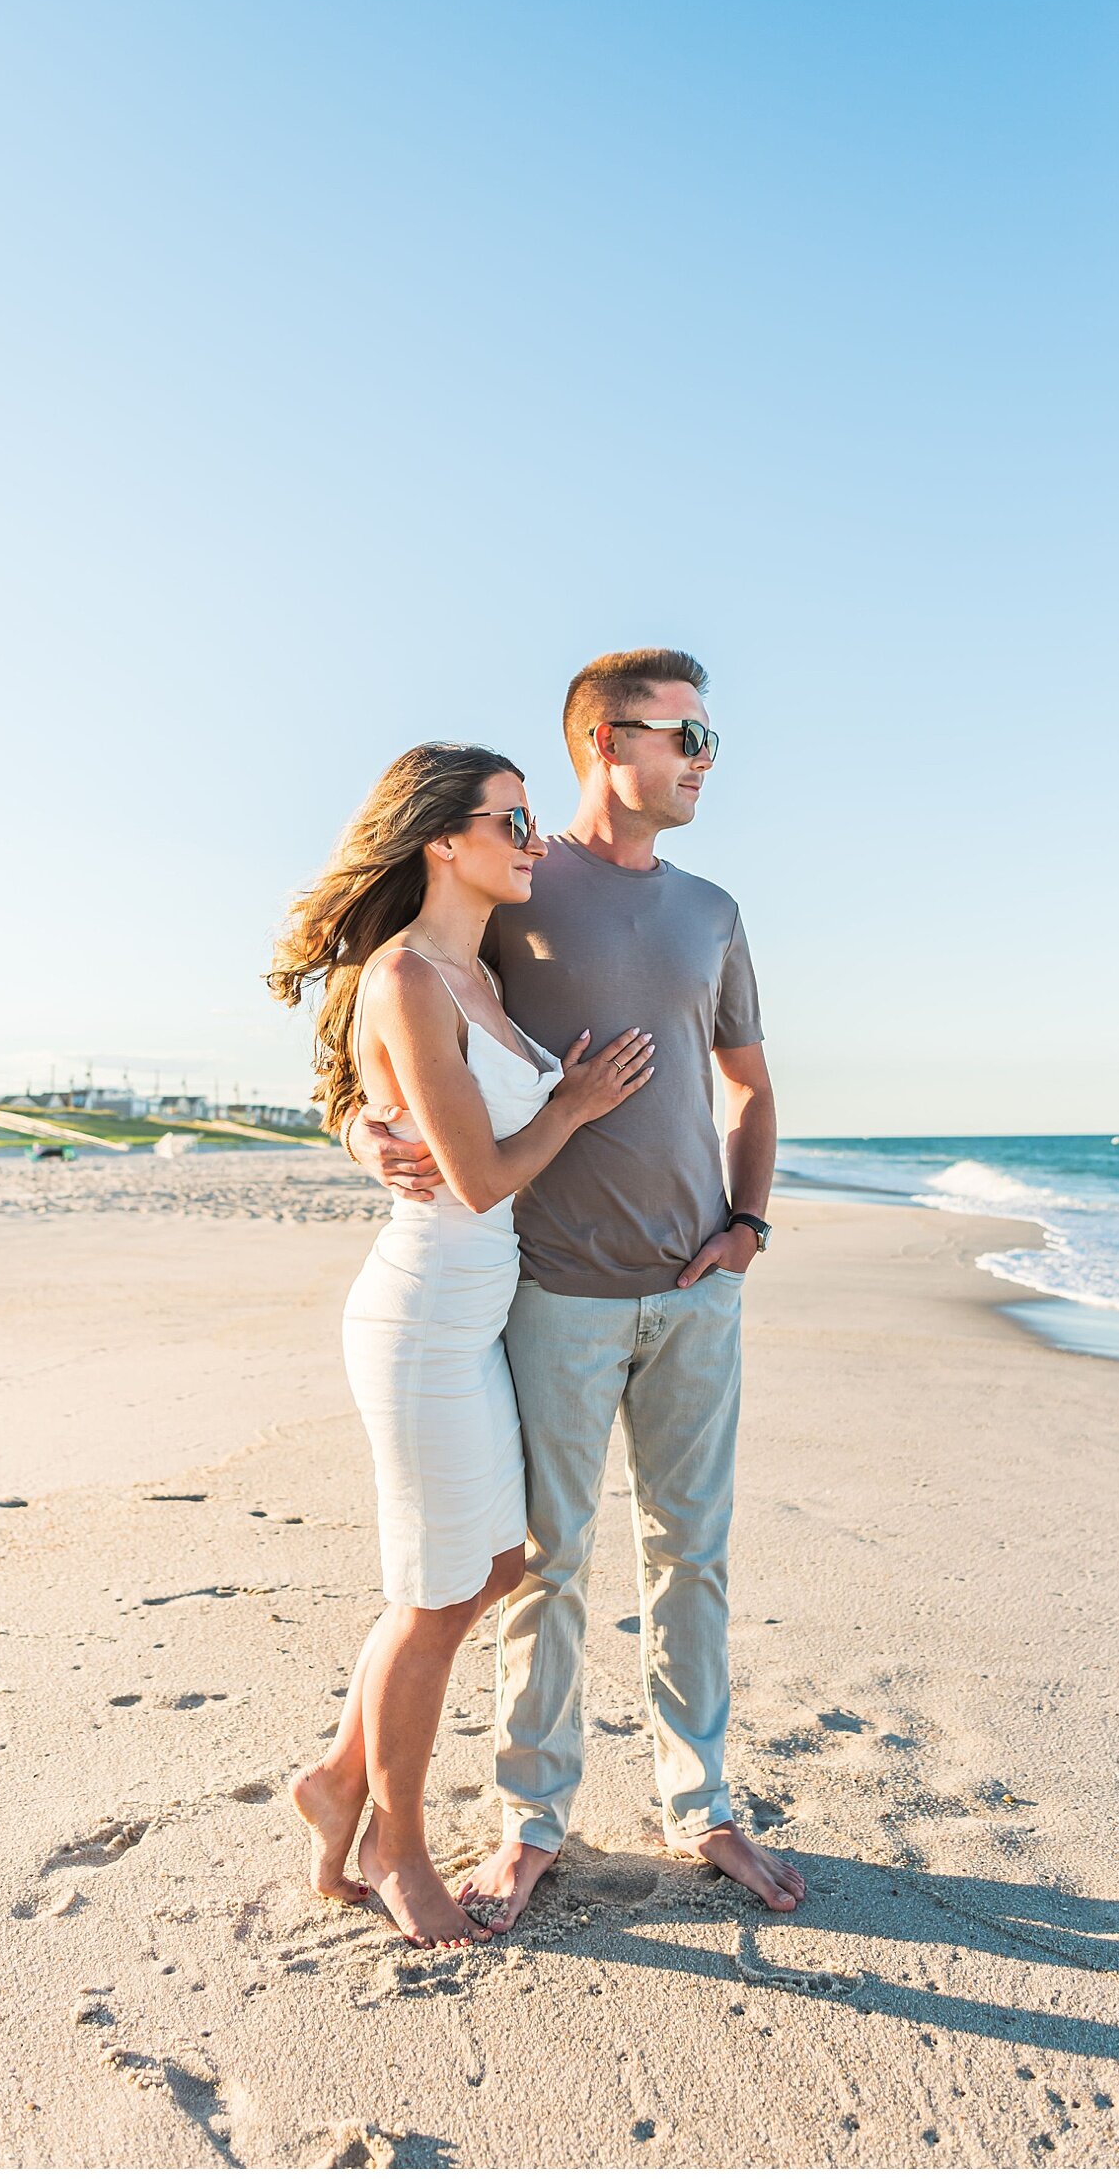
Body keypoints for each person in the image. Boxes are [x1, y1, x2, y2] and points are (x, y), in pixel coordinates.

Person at [345, 650, 807, 1926]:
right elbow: (404, 1010)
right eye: (688, 735)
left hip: (696, 1285)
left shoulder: (713, 909)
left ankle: (701, 1802)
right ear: (610, 741)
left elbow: (752, 1090)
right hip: (550, 1290)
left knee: (691, 1555)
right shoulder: (523, 890)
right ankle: (530, 1820)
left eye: (709, 738)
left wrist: (749, 1224)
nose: (707, 758)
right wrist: (356, 1124)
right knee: (547, 1564)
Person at [269, 742, 654, 1948]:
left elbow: (370, 1097)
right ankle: (396, 1841)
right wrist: (574, 1106)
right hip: (425, 1318)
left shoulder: (472, 966)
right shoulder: (410, 977)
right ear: (444, 837)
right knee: (436, 1597)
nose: (533, 839)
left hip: (474, 1314)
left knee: (493, 1567)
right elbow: (481, 1180)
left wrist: (354, 1124)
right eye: (512, 819)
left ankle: (338, 1779)